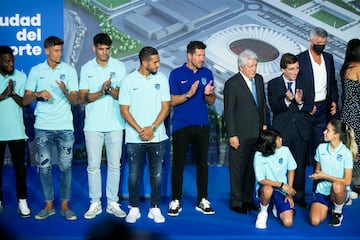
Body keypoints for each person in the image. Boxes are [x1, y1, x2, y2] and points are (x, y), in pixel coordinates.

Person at [22, 36, 79, 221]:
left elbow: (75, 100)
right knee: (45, 168)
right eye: (56, 50)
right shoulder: (36, 71)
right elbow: (25, 100)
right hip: (43, 128)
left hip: (65, 128)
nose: (60, 54)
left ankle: (65, 205)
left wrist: (64, 91)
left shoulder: (69, 71)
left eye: (61, 50)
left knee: (65, 167)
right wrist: (39, 94)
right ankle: (48, 204)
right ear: (47, 51)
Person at [119, 46, 170, 223]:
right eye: (155, 62)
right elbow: (124, 110)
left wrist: (152, 128)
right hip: (134, 138)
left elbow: (166, 107)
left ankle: (154, 208)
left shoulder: (162, 79)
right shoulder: (128, 81)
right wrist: (141, 130)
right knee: (133, 174)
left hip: (157, 137)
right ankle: (133, 208)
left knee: (156, 174)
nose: (158, 64)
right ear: (144, 62)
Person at [79, 33, 127, 220]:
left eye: (107, 49)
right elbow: (83, 97)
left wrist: (110, 89)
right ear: (94, 48)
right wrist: (101, 90)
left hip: (115, 124)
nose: (104, 52)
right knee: (93, 166)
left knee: (115, 165)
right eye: (101, 49)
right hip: (92, 125)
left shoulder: (119, 66)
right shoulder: (86, 68)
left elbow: (122, 95)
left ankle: (113, 203)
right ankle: (95, 203)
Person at [167, 41, 216, 216]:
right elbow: (171, 101)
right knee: (178, 165)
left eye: (203, 55)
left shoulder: (207, 73)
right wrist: (189, 94)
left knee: (202, 165)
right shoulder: (176, 74)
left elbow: (211, 102)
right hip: (182, 126)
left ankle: (202, 199)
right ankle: (176, 200)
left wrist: (209, 94)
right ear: (189, 56)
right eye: (199, 55)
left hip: (202, 125)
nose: (202, 59)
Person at [223, 49, 267, 214]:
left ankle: (248, 199)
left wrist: (264, 126)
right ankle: (236, 202)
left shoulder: (260, 80)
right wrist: (232, 135)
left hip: (257, 135)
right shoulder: (232, 84)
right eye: (250, 66)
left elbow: (262, 105)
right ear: (241, 67)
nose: (254, 69)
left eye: (255, 66)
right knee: (238, 170)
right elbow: (229, 112)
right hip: (239, 136)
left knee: (251, 169)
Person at [297, 27, 339, 198]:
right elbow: (296, 86)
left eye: (324, 44)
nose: (321, 46)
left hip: (323, 111)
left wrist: (334, 101)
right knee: (301, 153)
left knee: (322, 153)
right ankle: (298, 194)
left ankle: (319, 192)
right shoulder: (300, 60)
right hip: (306, 112)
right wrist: (307, 105)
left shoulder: (328, 58)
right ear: (311, 42)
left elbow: (333, 84)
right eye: (318, 44)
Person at [267, 53, 313, 208]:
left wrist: (300, 103)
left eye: (297, 68)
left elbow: (311, 105)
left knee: (299, 166)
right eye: (291, 69)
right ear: (283, 69)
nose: (295, 72)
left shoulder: (305, 82)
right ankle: (276, 196)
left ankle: (298, 197)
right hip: (282, 132)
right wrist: (286, 100)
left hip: (301, 131)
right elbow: (274, 107)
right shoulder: (273, 84)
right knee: (278, 165)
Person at [0, 45, 30, 217]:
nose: (11, 63)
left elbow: (25, 103)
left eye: (12, 60)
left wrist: (11, 94)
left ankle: (22, 201)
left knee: (20, 169)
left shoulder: (20, 76)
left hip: (17, 133)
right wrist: (4, 94)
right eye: (7, 61)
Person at [309, 119, 357, 227]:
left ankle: (337, 211)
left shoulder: (346, 153)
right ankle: (330, 205)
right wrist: (316, 175)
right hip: (323, 190)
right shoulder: (320, 148)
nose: (324, 132)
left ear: (336, 135)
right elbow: (318, 171)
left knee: (337, 186)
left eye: (327, 130)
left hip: (339, 189)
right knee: (314, 221)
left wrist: (325, 176)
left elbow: (347, 181)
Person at [253, 129, 297, 229]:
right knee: (268, 189)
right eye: (278, 139)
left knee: (288, 222)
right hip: (266, 187)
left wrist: (289, 191)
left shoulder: (285, 150)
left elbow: (291, 169)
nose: (281, 139)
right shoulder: (258, 155)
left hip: (282, 190)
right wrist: (281, 185)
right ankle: (263, 212)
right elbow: (261, 180)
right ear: (271, 143)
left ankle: (275, 206)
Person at [340, 38, 360, 194]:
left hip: (347, 113)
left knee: (350, 147)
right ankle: (358, 183)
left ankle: (350, 182)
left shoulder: (345, 68)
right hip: (357, 113)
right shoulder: (359, 67)